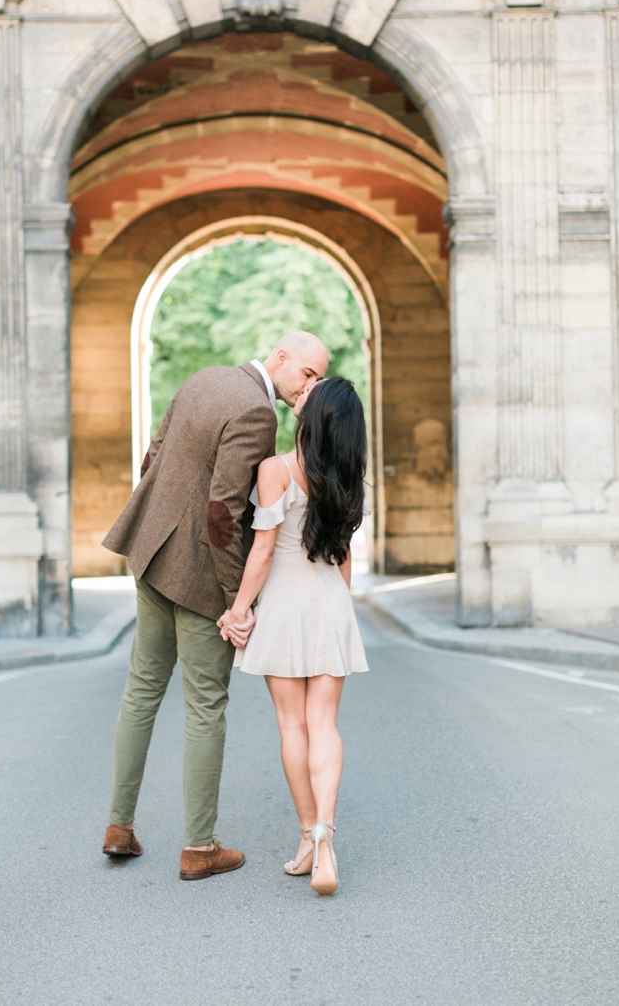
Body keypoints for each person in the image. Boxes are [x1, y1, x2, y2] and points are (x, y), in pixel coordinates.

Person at [100, 332, 329, 880]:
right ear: (280, 358)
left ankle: (119, 826)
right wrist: (236, 604)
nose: (310, 386)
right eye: (308, 373)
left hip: (152, 556)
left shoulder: (204, 378)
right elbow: (223, 512)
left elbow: (152, 457)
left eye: (317, 379)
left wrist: (156, 526)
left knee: (141, 692)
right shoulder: (257, 411)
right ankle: (199, 848)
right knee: (206, 706)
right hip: (201, 578)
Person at [218, 376, 369, 896]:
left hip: (283, 605)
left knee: (292, 725)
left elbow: (261, 553)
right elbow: (343, 557)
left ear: (312, 417)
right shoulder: (349, 477)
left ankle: (308, 835)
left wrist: (238, 611)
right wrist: (342, 609)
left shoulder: (275, 470)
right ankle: (326, 832)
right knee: (324, 723)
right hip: (329, 601)